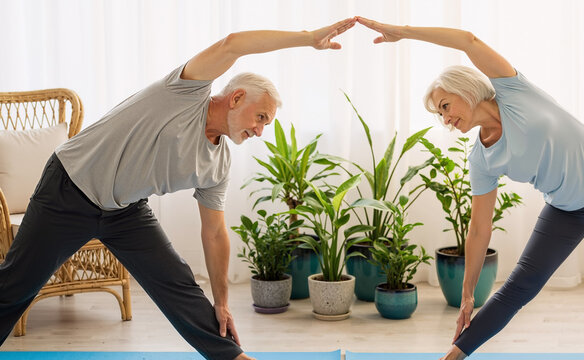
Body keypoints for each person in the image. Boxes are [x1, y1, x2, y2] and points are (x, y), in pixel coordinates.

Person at [0, 18, 357, 360]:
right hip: (69, 187)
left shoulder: (218, 163)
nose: (260, 130)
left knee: (178, 284)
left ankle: (233, 358)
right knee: (17, 287)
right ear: (235, 98)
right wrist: (308, 38)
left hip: (124, 210)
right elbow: (233, 44)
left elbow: (215, 232)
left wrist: (222, 301)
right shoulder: (184, 92)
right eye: (260, 117)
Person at [355, 16, 584, 360]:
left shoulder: (514, 91)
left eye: (445, 106)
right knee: (519, 287)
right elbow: (479, 229)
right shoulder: (482, 159)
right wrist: (466, 295)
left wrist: (403, 33)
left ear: (464, 90)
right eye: (438, 115)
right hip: (567, 210)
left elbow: (468, 40)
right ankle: (451, 358)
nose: (444, 119)